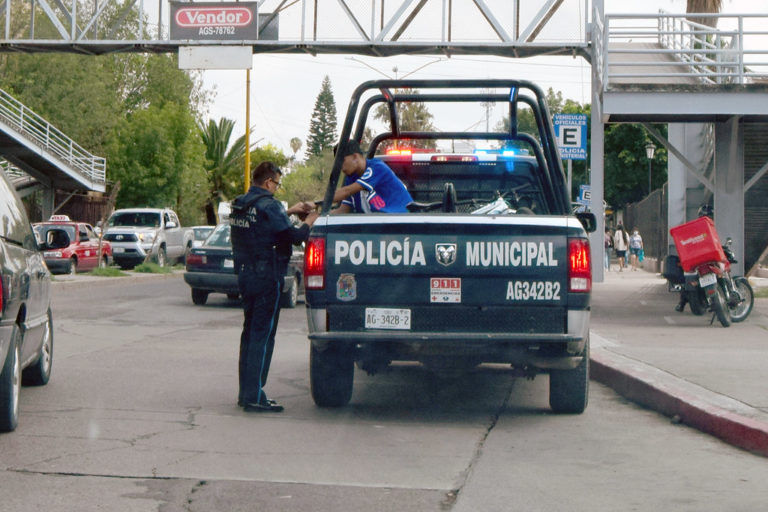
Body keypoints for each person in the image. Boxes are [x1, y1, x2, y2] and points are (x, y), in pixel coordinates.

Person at [230, 161, 318, 413]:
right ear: (269, 182)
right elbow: (295, 237)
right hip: (267, 276)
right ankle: (255, 396)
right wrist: (310, 219)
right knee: (263, 336)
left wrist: (289, 211)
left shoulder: (240, 203)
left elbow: (263, 222)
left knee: (249, 334)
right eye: (277, 184)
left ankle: (246, 392)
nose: (277, 189)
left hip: (246, 275)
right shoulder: (270, 206)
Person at [330, 140, 413, 214]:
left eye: (342, 161)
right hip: (376, 225)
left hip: (399, 222)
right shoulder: (351, 178)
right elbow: (343, 210)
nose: (340, 166)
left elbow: (346, 191)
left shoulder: (376, 167)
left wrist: (324, 201)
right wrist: (320, 217)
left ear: (355, 157)